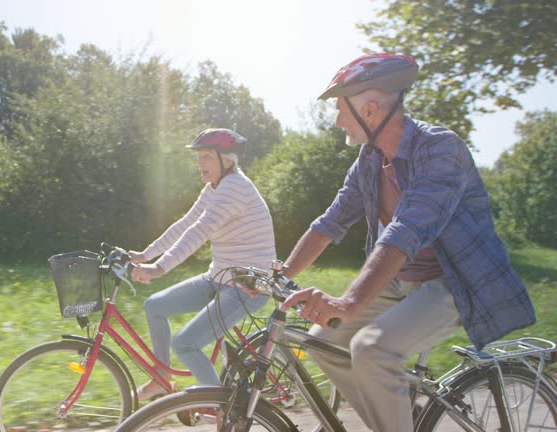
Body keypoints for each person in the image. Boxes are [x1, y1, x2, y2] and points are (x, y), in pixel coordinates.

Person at [279, 53, 536, 432]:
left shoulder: (439, 150)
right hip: (401, 283)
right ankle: (397, 421)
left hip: (453, 281)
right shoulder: (368, 161)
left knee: (371, 349)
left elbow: (407, 229)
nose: (336, 120)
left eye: (339, 109)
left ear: (368, 109)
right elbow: (331, 222)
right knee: (325, 341)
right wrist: (279, 274)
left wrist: (349, 301)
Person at [129, 128, 276, 401]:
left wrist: (159, 268)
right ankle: (162, 380)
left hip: (247, 287)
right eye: (199, 157)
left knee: (185, 343)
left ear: (227, 160)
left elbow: (200, 231)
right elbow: (185, 224)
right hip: (219, 277)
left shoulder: (235, 188)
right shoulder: (214, 188)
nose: (200, 163)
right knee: (154, 306)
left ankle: (223, 409)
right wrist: (145, 255)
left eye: (207, 156)